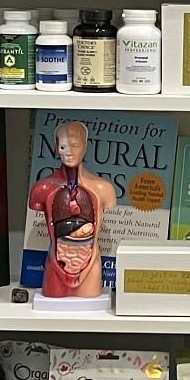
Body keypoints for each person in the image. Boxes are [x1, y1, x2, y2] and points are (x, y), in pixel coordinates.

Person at [27, 119, 115, 300]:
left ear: (85, 146)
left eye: (74, 145)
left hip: (90, 265)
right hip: (56, 264)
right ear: (56, 148)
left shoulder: (103, 188)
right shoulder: (42, 188)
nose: (69, 153)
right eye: (63, 147)